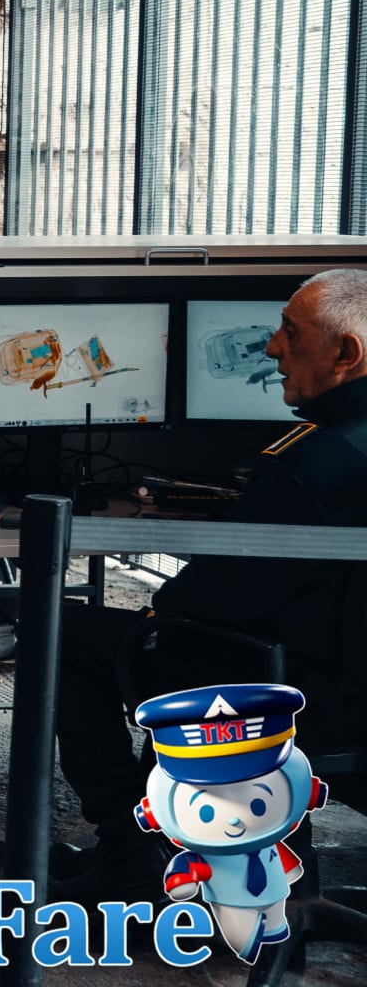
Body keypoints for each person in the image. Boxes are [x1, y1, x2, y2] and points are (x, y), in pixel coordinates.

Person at [51, 269, 367, 902]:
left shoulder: (318, 462)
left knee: (63, 634)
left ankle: (131, 850)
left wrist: (157, 615)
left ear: (346, 354)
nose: (272, 347)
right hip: (344, 683)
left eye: (291, 332)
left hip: (301, 692)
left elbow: (215, 597)